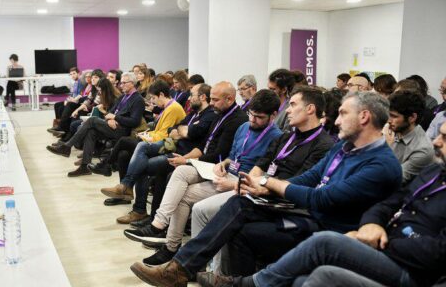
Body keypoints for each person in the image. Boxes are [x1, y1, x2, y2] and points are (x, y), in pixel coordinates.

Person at [130, 92, 403, 286]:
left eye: (343, 113)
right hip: (303, 213)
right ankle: (181, 269)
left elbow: (323, 197)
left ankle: (185, 268)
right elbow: (308, 178)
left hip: (327, 229)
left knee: (240, 220)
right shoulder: (344, 148)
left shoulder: (380, 164)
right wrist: (263, 187)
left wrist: (268, 184)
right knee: (241, 207)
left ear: (365, 117)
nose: (337, 119)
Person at [220, 120, 446, 287]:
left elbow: (437, 253)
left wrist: (378, 242)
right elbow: (389, 203)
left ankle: (246, 284)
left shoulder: (382, 164)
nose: (436, 141)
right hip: (375, 241)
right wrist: (372, 224)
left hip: (412, 270)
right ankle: (190, 265)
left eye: (444, 138)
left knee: (324, 245)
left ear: (364, 117)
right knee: (298, 278)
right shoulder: (435, 171)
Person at [124, 90, 284, 266]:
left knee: (184, 195)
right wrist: (223, 164)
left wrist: (232, 183)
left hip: (241, 184)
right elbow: (233, 156)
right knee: (181, 171)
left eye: (259, 117)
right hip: (226, 173)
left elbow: (263, 177)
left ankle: (172, 248)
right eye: (251, 114)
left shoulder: (277, 138)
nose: (252, 120)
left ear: (274, 115)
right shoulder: (244, 127)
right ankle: (159, 224)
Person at [187, 86, 336, 276]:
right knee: (234, 204)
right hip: (265, 196)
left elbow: (300, 182)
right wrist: (250, 183)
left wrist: (261, 187)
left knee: (236, 212)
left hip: (288, 205)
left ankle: (193, 269)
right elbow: (261, 164)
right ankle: (194, 268)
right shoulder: (286, 138)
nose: (287, 110)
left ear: (310, 109)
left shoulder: (323, 145)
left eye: (292, 105)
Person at [99, 79, 187, 223]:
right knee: (123, 154)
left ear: (161, 94)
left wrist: (147, 136)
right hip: (162, 143)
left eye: (153, 98)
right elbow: (161, 132)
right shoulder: (169, 107)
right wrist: (148, 135)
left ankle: (124, 185)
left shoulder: (174, 108)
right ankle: (127, 194)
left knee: (134, 147)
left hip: (168, 146)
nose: (152, 102)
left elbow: (164, 135)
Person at [46, 72, 145, 177]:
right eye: (121, 83)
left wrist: (115, 118)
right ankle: (84, 167)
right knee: (91, 131)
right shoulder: (123, 97)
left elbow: (134, 121)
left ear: (132, 83)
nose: (121, 85)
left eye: (124, 83)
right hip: (112, 126)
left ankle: (67, 146)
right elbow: (109, 113)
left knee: (92, 120)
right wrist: (109, 119)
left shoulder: (138, 99)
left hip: (122, 130)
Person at [386, 90, 434, 184]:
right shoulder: (394, 130)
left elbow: (391, 180)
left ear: (412, 117)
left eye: (394, 116)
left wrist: (384, 148)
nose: (388, 120)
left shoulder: (423, 149)